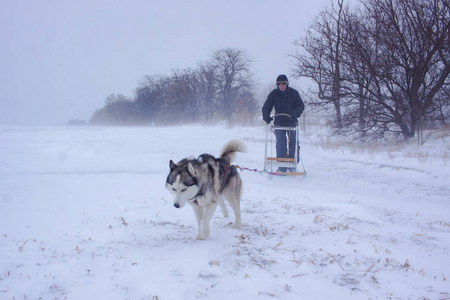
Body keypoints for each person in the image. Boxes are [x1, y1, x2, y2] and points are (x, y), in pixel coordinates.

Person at [262, 74, 304, 171]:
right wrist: (266, 117)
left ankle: (292, 165)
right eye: (279, 84)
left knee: (293, 143)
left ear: (287, 83)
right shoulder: (274, 94)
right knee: (281, 143)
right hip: (279, 122)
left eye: (283, 83)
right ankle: (282, 166)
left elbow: (300, 105)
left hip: (291, 122)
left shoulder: (293, 93)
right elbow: (266, 106)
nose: (281, 86)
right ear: (277, 84)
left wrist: (295, 114)